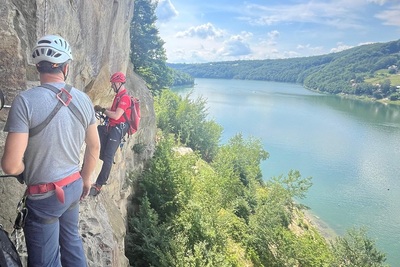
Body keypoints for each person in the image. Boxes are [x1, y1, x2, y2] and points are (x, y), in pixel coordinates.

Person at [1, 34, 100, 267]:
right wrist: (85, 180)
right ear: (66, 67)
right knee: (72, 243)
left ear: (38, 67)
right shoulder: (84, 100)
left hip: (45, 195)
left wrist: (27, 169)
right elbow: (94, 146)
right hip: (74, 185)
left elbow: (10, 165)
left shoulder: (25, 101)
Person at [90, 72, 132, 196]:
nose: (112, 86)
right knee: (99, 145)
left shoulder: (125, 98)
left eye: (113, 84)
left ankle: (98, 185)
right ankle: (86, 172)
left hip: (118, 129)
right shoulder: (118, 96)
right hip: (112, 127)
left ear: (119, 83)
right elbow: (113, 109)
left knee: (108, 157)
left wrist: (103, 110)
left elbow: (116, 115)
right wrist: (103, 108)